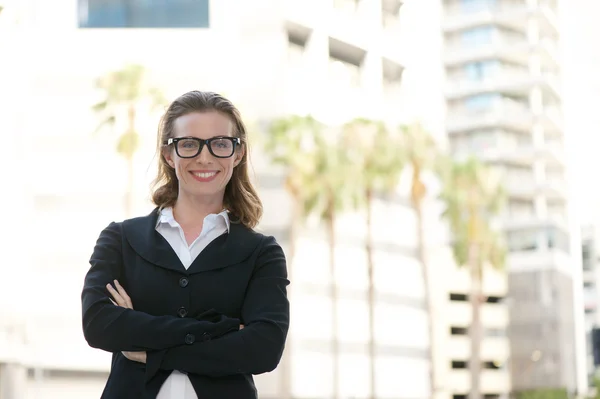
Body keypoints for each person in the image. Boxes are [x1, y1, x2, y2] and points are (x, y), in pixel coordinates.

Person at [81, 90, 290, 399]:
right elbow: (99, 324)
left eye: (219, 144)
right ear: (169, 154)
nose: (204, 158)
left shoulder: (262, 253)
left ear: (237, 153)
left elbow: (264, 349)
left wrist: (150, 348)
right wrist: (224, 331)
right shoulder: (120, 240)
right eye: (189, 144)